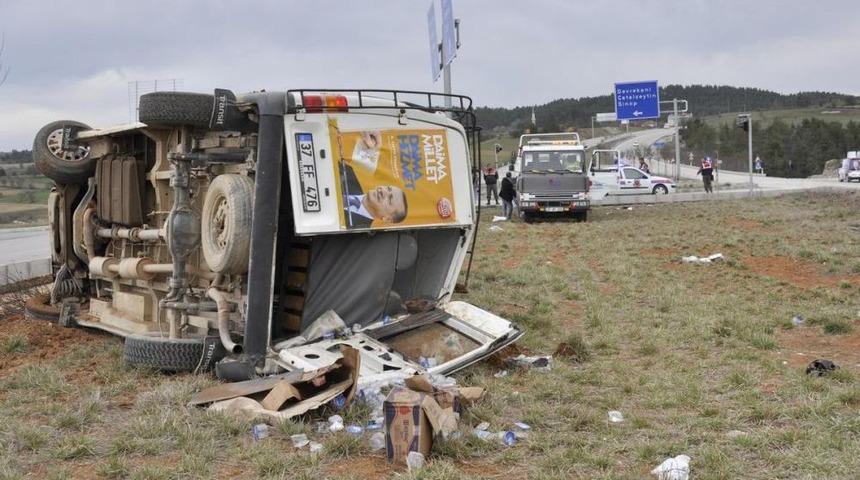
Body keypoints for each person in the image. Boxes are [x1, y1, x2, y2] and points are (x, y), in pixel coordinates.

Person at [339, 162, 408, 229]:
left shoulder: (356, 231)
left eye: (389, 199)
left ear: (387, 218)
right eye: (388, 188)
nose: (383, 191)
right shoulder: (347, 172)